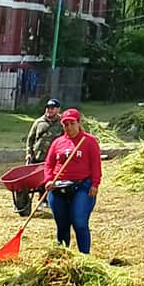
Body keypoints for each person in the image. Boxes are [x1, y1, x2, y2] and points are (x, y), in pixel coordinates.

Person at [42, 108, 102, 254]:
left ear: (79, 123)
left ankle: (85, 256)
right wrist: (48, 180)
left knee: (79, 222)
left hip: (82, 186)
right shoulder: (58, 143)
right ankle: (63, 256)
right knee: (62, 225)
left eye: (72, 124)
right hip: (58, 186)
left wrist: (95, 183)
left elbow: (96, 164)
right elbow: (48, 164)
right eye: (65, 125)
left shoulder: (89, 141)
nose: (69, 128)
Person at [19, 99, 66, 216]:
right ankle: (32, 202)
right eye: (48, 108)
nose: (50, 110)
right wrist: (28, 153)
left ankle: (46, 200)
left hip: (54, 157)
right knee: (37, 181)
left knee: (51, 180)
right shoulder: (39, 122)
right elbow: (30, 138)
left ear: (58, 109)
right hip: (38, 156)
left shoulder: (62, 123)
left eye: (53, 108)